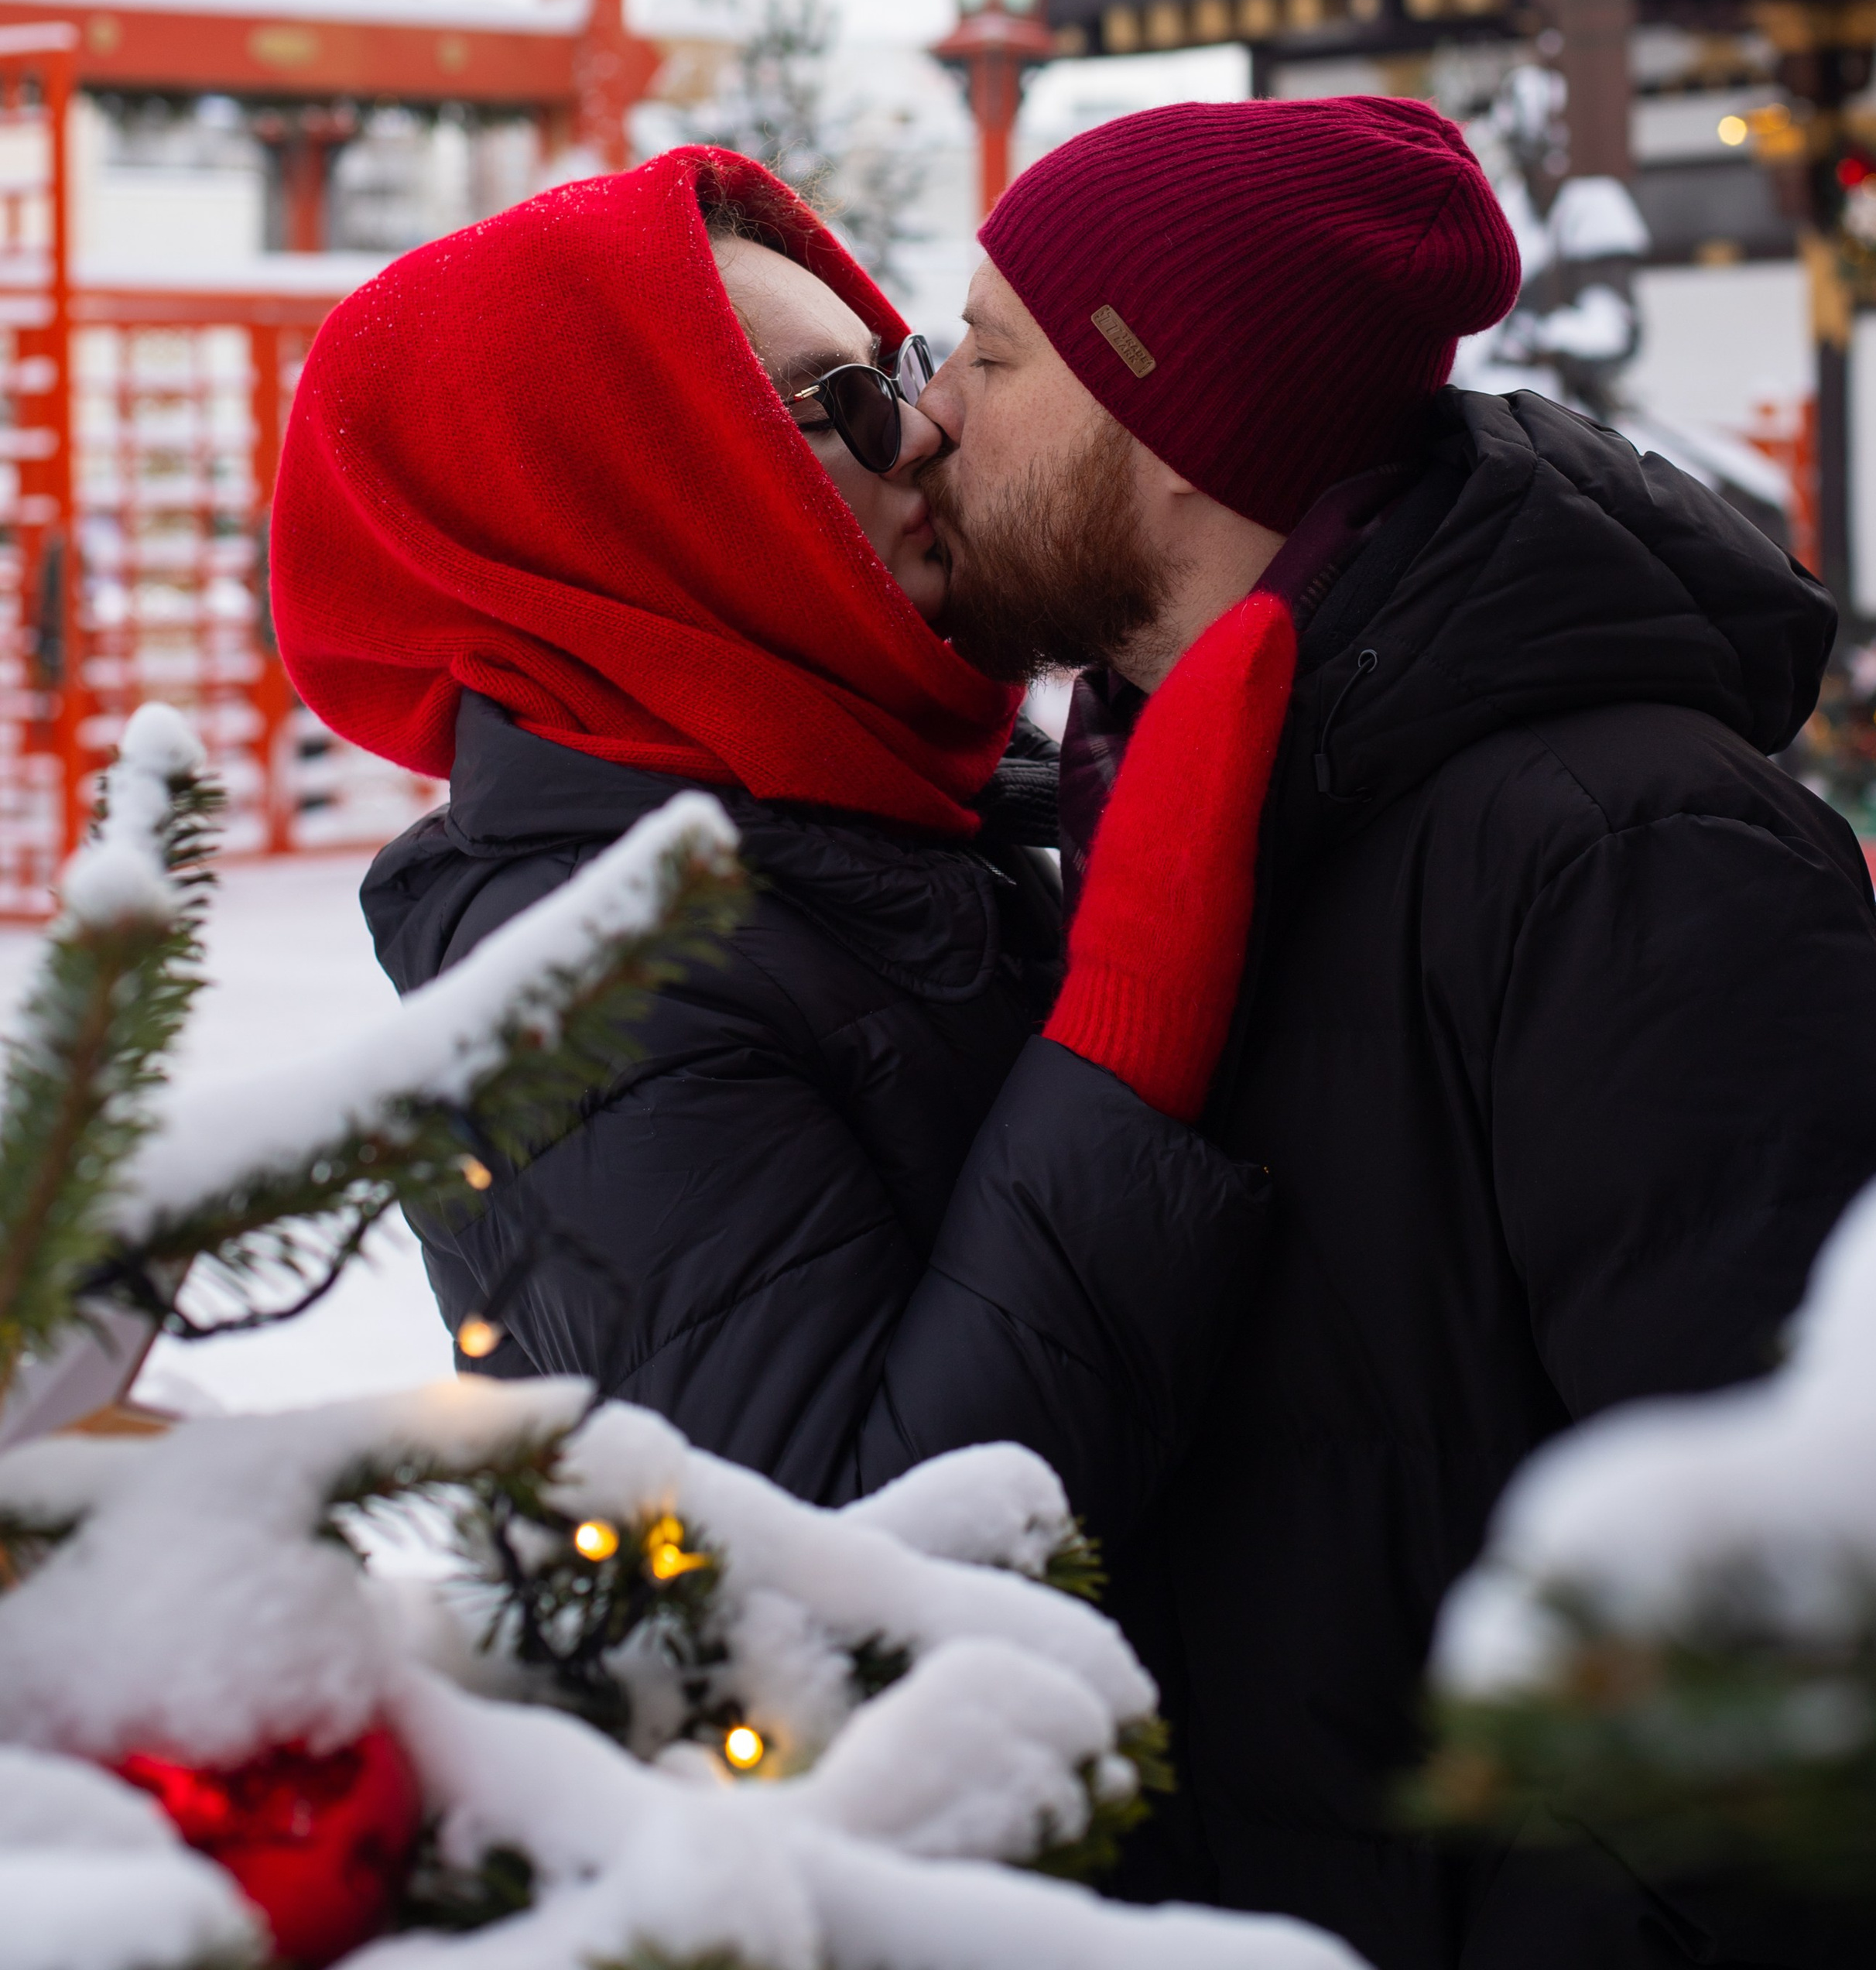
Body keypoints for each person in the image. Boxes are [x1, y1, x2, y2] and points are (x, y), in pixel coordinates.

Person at [911, 91, 1876, 1970]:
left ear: (1173, 433)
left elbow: (1825, 1637)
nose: (929, 414)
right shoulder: (1174, 815)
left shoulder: (1620, 853)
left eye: (993, 357)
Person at [267, 144, 1264, 1533]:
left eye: (897, 371)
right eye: (832, 404)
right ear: (630, 506)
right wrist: (1119, 1048)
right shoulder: (593, 994)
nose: (922, 434)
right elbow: (841, 1573)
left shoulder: (893, 815)